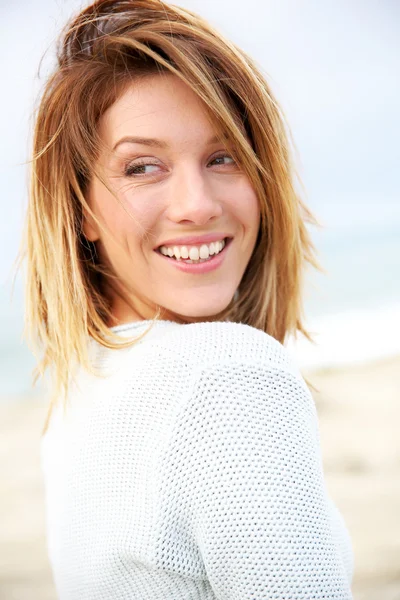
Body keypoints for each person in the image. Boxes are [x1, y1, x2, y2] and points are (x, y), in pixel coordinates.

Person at [21, 0, 354, 597]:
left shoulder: (77, 392)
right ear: (81, 211)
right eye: (143, 167)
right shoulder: (224, 374)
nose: (196, 203)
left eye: (223, 157)